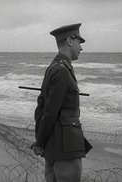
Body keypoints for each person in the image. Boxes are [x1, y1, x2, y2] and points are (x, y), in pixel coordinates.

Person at [33, 23, 92, 182]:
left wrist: (41, 139)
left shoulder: (56, 66)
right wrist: (39, 143)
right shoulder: (61, 70)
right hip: (66, 147)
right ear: (70, 41)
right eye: (79, 42)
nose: (81, 47)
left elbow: (42, 106)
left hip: (56, 144)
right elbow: (49, 111)